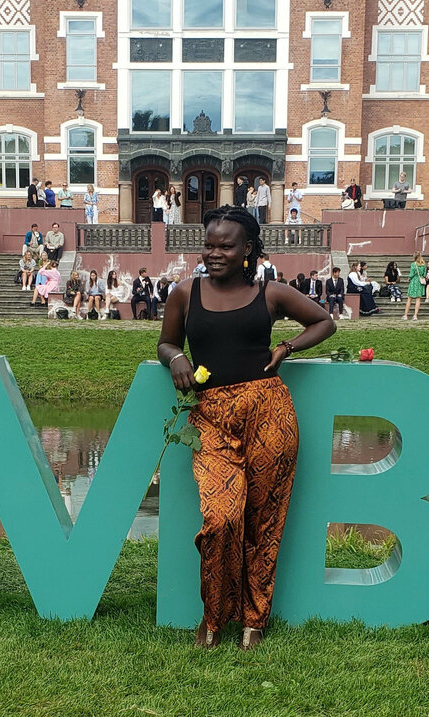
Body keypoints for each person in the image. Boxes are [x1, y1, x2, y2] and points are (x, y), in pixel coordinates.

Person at [157, 206, 335, 650]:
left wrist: (287, 346)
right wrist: (176, 358)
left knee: (264, 521)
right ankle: (214, 617)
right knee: (220, 518)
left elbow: (324, 321)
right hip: (211, 416)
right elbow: (166, 342)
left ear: (247, 250)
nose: (214, 253)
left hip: (268, 411)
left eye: (225, 245)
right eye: (209, 244)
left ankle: (254, 620)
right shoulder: (184, 292)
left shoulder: (270, 293)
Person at [403, 252, 427, 320]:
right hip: (420, 282)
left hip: (414, 281)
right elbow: (424, 275)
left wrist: (409, 278)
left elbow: (411, 274)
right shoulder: (423, 265)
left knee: (409, 299)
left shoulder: (413, 264)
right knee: (418, 299)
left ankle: (405, 315)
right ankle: (415, 315)